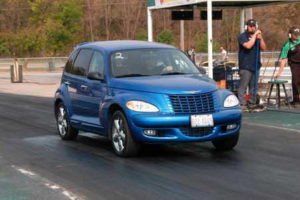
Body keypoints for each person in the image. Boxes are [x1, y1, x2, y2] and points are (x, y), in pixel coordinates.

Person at [238, 19, 267, 111]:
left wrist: (260, 38)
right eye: (250, 26)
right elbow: (248, 46)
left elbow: (264, 48)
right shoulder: (242, 36)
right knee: (243, 86)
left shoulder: (258, 37)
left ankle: (252, 103)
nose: (252, 28)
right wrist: (254, 35)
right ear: (247, 27)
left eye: (254, 26)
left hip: (255, 65)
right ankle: (242, 104)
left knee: (254, 87)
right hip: (245, 66)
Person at [275, 27, 300, 106]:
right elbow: (283, 59)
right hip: (294, 65)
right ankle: (296, 100)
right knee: (296, 81)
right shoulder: (287, 45)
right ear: (290, 35)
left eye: (297, 34)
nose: (296, 36)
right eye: (294, 34)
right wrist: (279, 72)